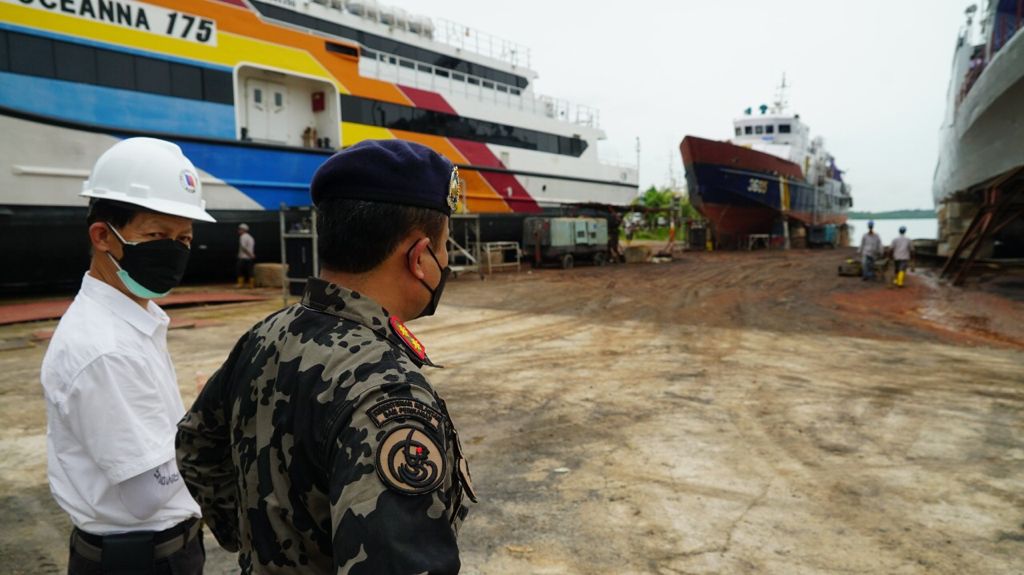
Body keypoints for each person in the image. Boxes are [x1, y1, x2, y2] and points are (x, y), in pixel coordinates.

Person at [176, 139, 476, 573]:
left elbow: (196, 445)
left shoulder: (263, 335)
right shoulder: (388, 395)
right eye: (444, 245)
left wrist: (256, 541)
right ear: (418, 256)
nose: (445, 260)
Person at [40, 138, 215, 573]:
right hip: (140, 559)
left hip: (157, 550)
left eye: (184, 238)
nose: (174, 250)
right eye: (157, 235)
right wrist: (211, 427)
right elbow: (147, 492)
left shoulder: (133, 321)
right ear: (103, 236)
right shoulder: (104, 348)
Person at [236, 223, 256, 288]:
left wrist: (250, 255)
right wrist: (252, 255)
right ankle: (251, 285)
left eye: (240, 229)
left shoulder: (243, 237)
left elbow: (243, 247)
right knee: (250, 271)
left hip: (243, 257)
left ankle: (240, 285)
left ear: (243, 230)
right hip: (249, 257)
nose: (238, 231)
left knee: (240, 270)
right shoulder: (250, 237)